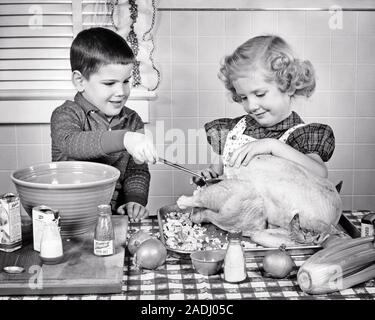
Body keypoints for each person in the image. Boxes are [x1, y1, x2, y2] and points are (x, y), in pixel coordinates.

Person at [51, 27, 158, 222]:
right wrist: (124, 138)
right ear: (80, 81)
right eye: (109, 83)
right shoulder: (66, 114)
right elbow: (72, 143)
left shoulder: (133, 120)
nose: (121, 91)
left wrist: (134, 201)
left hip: (114, 219)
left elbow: (137, 171)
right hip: (72, 220)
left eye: (126, 81)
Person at [198, 35, 335, 183]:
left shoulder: (302, 136)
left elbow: (320, 174)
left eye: (260, 94)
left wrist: (273, 146)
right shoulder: (233, 131)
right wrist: (209, 175)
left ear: (288, 86)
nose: (251, 106)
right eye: (244, 97)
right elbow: (217, 170)